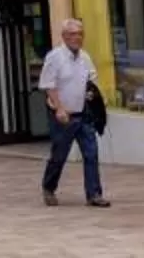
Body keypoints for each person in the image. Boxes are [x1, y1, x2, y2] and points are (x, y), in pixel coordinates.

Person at [37, 16, 108, 208]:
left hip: (83, 114)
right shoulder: (55, 57)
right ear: (64, 36)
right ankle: (48, 187)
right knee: (59, 154)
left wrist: (92, 96)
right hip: (63, 114)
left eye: (80, 34)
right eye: (73, 34)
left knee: (91, 154)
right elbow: (48, 85)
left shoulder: (84, 57)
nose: (77, 38)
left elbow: (90, 80)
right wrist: (59, 108)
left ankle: (94, 194)